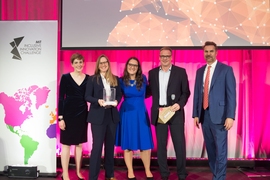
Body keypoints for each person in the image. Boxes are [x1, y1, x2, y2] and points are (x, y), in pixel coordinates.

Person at [192, 41, 236, 180]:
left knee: (221, 150)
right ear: (203, 53)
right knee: (211, 150)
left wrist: (230, 116)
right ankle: (216, 174)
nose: (208, 54)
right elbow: (197, 94)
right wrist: (195, 114)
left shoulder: (226, 70)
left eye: (211, 51)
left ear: (216, 53)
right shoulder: (200, 71)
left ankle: (219, 177)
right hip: (204, 116)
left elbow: (231, 95)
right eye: (206, 51)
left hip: (221, 116)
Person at [148, 47, 190, 180]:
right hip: (160, 112)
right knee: (161, 146)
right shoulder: (152, 73)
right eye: (162, 56)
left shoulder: (180, 72)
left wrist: (179, 104)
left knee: (179, 144)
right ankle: (164, 174)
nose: (165, 58)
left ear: (171, 57)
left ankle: (182, 173)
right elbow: (148, 91)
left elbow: (186, 92)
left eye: (167, 56)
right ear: (159, 57)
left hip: (175, 112)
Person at [115, 57, 154, 180]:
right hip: (127, 114)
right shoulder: (121, 81)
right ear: (127, 66)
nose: (132, 67)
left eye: (135, 65)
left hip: (141, 113)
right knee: (128, 145)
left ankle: (147, 170)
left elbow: (148, 93)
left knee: (145, 144)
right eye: (130, 65)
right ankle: (130, 171)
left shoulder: (143, 79)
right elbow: (117, 96)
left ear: (138, 68)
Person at [85, 54, 122, 180]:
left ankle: (110, 175)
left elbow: (119, 95)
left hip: (111, 116)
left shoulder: (115, 79)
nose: (103, 65)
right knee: (97, 147)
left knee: (110, 147)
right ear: (98, 65)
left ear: (108, 64)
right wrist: (97, 101)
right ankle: (93, 177)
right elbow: (87, 96)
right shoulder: (92, 79)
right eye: (101, 63)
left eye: (105, 62)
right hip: (97, 116)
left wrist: (117, 101)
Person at [58, 53, 89, 180]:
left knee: (79, 144)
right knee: (66, 144)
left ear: (84, 63)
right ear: (72, 64)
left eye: (81, 62)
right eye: (76, 62)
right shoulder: (65, 77)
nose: (79, 65)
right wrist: (60, 118)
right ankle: (65, 173)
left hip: (82, 114)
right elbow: (61, 98)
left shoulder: (88, 78)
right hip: (68, 114)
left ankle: (78, 172)